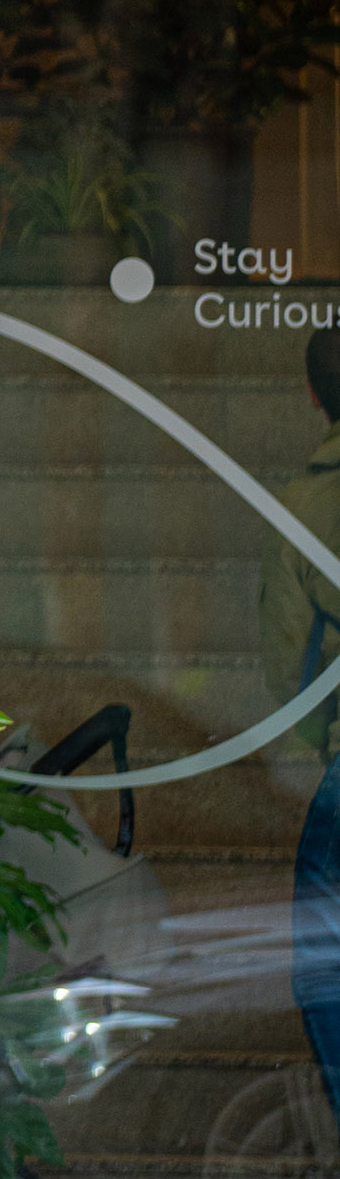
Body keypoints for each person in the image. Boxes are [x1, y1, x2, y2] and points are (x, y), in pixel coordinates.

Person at [263, 331, 340, 1127]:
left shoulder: (304, 505)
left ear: (315, 398)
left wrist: (312, 744)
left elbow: (288, 665)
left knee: (325, 970)